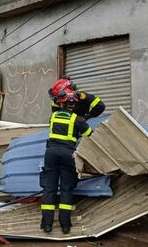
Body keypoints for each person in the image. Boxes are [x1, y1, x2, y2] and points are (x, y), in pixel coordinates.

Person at [40, 80, 93, 234]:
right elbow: (89, 135)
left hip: (50, 153)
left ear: (61, 103)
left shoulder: (54, 116)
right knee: (66, 189)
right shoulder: (77, 120)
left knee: (49, 189)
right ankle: (65, 226)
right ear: (74, 105)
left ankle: (47, 225)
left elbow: (55, 102)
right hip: (67, 154)